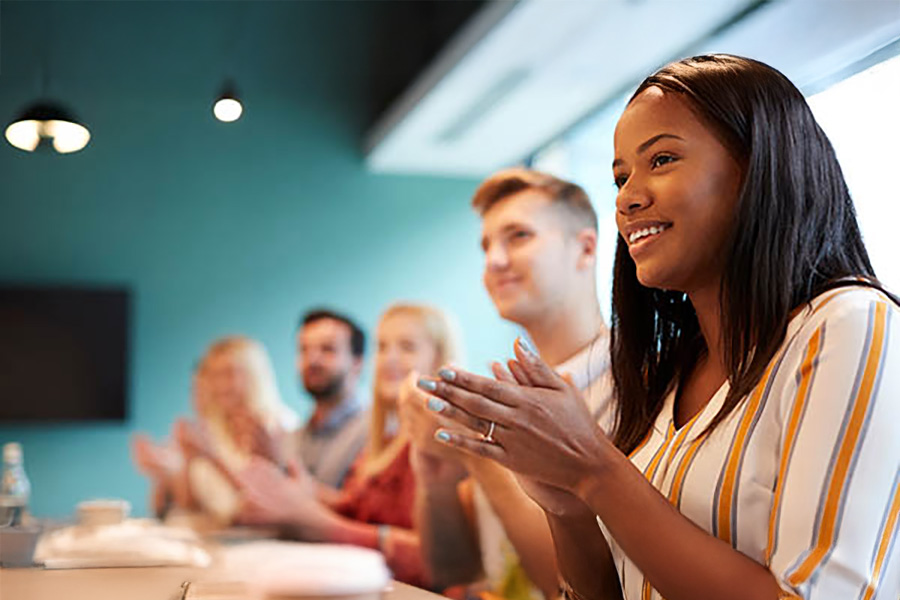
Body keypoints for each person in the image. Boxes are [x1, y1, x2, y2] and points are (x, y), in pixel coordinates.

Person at [417, 54, 900, 600]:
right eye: (621, 176)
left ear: (759, 166)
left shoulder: (849, 323)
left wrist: (597, 471)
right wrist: (568, 503)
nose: (626, 198)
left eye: (663, 159)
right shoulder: (669, 370)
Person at [402, 169, 612, 600]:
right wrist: (436, 477)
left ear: (586, 248)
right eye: (486, 246)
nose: (493, 261)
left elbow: (577, 589)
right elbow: (454, 566)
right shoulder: (507, 395)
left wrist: (483, 461)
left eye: (518, 236)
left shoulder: (635, 390)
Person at [236, 303, 460, 588]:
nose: (389, 359)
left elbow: (440, 564)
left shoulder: (443, 441)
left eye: (407, 347)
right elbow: (354, 507)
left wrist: (317, 519)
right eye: (382, 347)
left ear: (439, 357)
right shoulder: (386, 443)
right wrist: (298, 487)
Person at [132, 336, 299, 523]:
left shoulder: (282, 426)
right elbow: (190, 505)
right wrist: (169, 471)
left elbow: (270, 504)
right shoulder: (212, 430)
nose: (220, 386)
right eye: (215, 375)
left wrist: (212, 457)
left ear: (254, 375)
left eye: (229, 373)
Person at [294, 309, 369, 489]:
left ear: (357, 363)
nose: (312, 360)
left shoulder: (377, 433)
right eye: (304, 349)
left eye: (327, 349)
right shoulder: (290, 440)